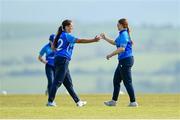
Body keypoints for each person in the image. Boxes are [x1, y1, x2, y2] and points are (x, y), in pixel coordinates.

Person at [47, 19, 101, 107]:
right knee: (57, 82)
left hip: (58, 59)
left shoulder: (59, 35)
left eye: (72, 26)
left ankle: (78, 102)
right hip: (63, 60)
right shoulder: (67, 36)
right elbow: (80, 41)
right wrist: (93, 40)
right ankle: (50, 101)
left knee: (68, 84)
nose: (72, 28)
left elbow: (53, 47)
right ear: (66, 27)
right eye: (70, 26)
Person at [100, 18, 138, 107]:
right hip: (124, 60)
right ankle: (113, 101)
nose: (117, 25)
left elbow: (122, 48)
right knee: (116, 80)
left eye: (118, 24)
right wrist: (105, 38)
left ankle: (133, 102)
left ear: (122, 25)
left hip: (126, 60)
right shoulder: (122, 34)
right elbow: (115, 42)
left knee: (127, 82)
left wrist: (110, 55)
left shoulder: (124, 34)